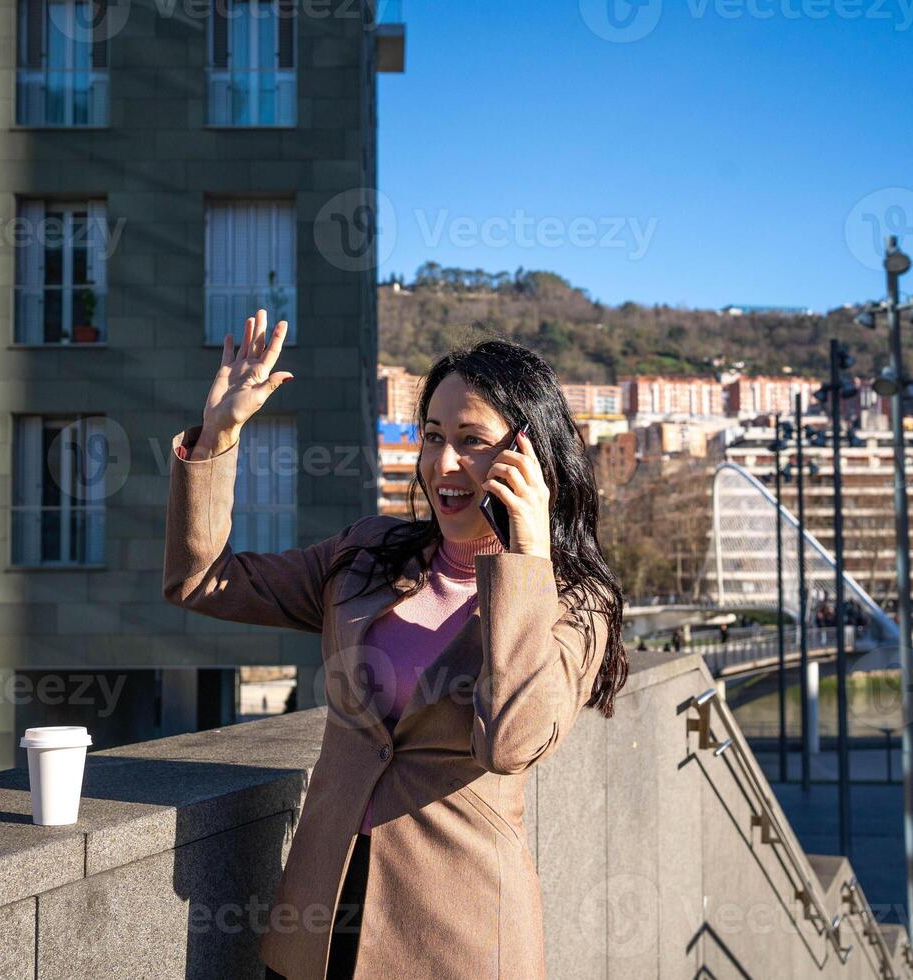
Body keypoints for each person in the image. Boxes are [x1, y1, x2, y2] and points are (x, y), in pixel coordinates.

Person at [163, 311, 629, 980]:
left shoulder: (575, 604)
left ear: (529, 458)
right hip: (315, 929)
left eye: (473, 439)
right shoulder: (368, 555)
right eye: (433, 436)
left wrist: (524, 556)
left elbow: (511, 743)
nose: (443, 462)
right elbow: (201, 581)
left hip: (459, 939)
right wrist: (217, 439)